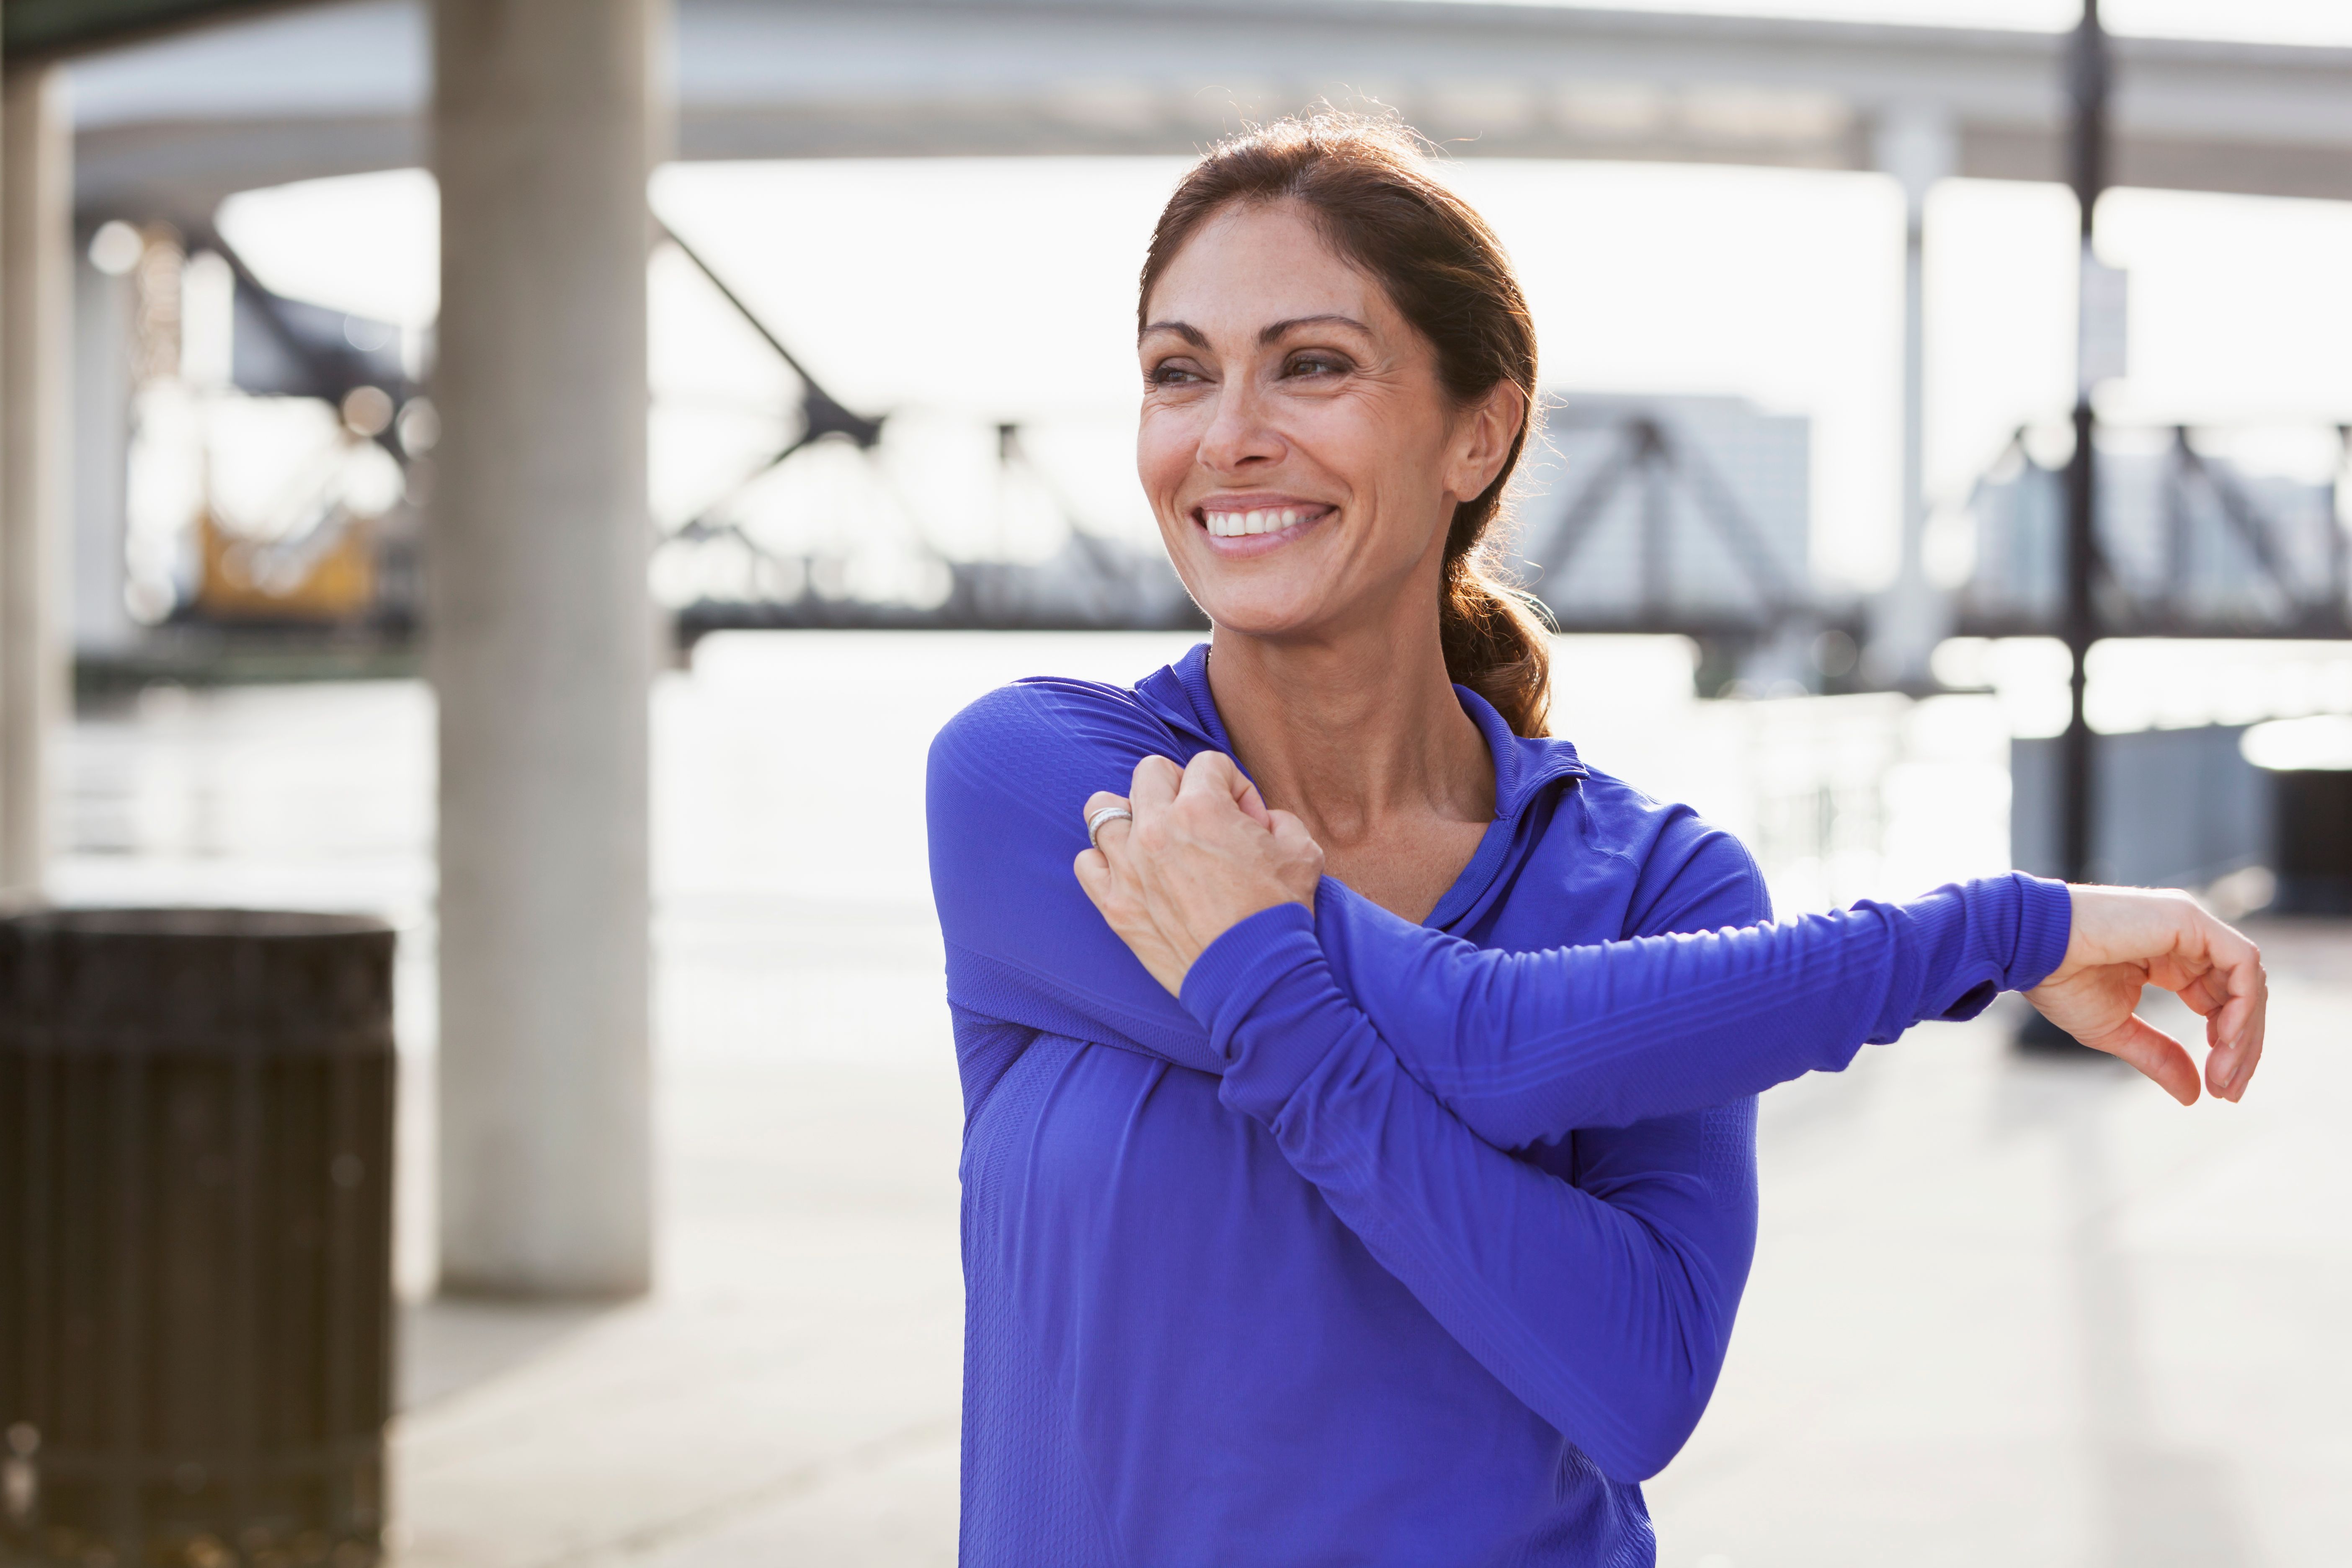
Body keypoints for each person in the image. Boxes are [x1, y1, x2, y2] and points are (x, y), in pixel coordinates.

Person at [926, 112, 2265, 1567]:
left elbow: (1635, 1388)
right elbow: (1487, 1041)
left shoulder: (1654, 886)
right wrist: (2000, 933)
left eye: (1310, 364)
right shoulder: (1046, 789)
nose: (1230, 432)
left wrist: (1257, 980)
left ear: (1479, 432)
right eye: (1179, 373)